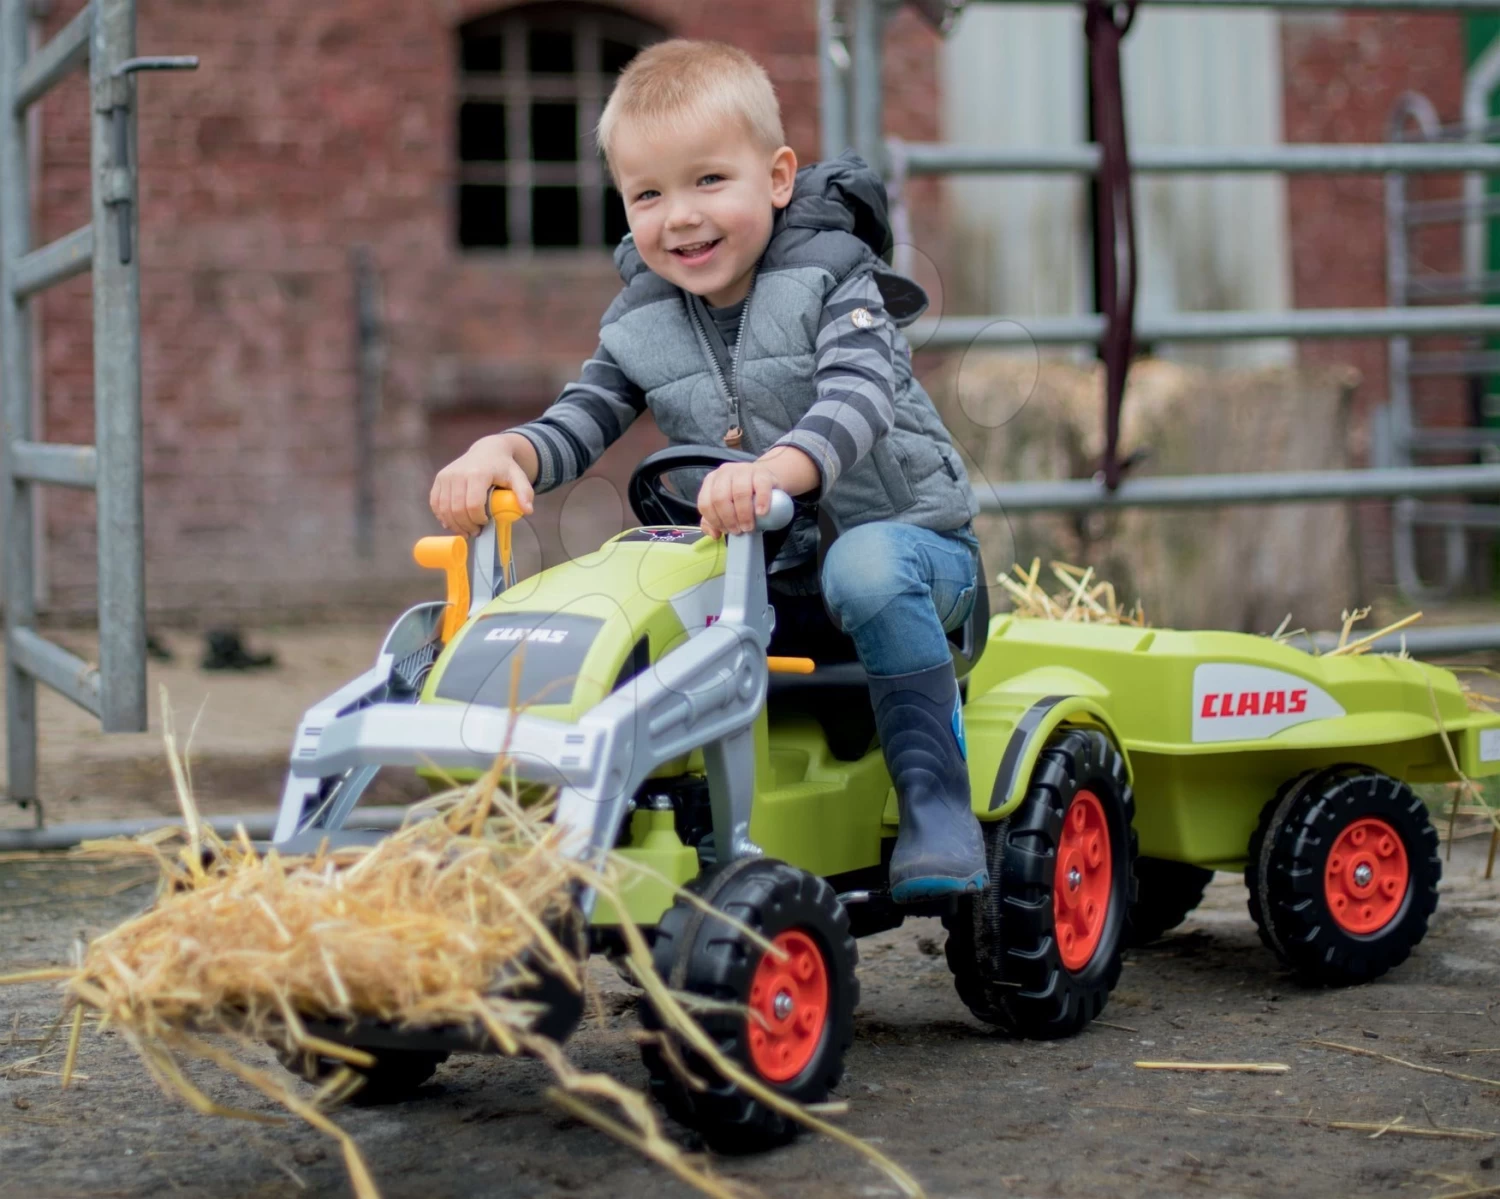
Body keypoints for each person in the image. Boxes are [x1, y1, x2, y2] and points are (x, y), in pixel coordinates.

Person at [429, 40, 986, 902]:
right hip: (759, 583)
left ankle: (935, 799)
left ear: (777, 177)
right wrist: (508, 450)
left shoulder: (838, 280)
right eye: (649, 194)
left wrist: (780, 467)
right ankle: (602, 817)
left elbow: (859, 394)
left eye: (707, 182)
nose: (679, 217)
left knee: (864, 564)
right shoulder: (643, 319)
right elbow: (586, 414)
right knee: (631, 589)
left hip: (913, 557)